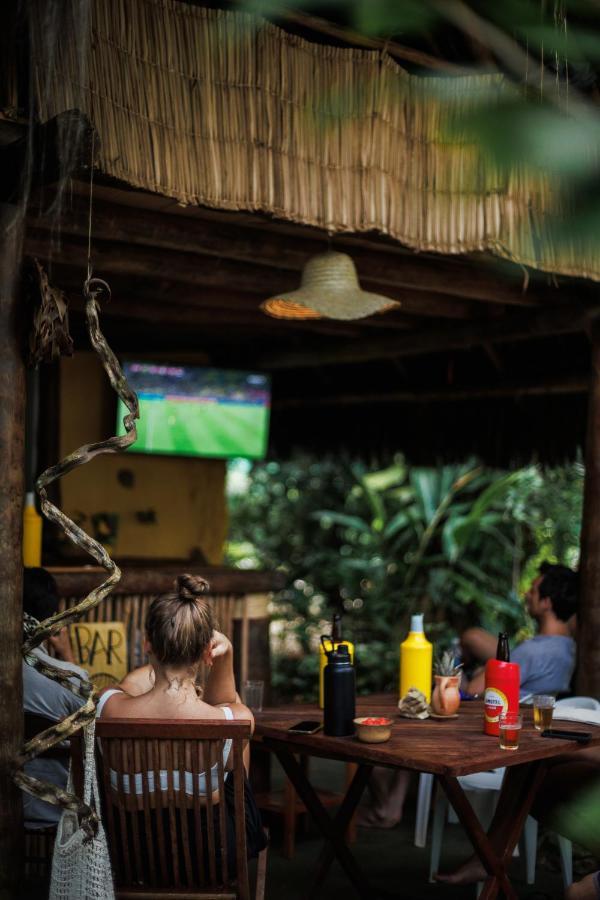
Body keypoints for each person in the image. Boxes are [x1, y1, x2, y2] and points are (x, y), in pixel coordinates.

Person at [97, 573, 267, 865]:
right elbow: (225, 701)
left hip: (132, 858)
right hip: (210, 860)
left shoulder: (107, 706)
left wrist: (166, 657)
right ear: (206, 650)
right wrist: (225, 657)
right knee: (235, 764)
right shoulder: (232, 720)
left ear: (147, 642)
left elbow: (131, 684)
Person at [22, 567, 89, 828]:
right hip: (55, 808)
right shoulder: (71, 678)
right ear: (52, 622)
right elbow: (93, 733)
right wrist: (68, 655)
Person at [461, 563, 578, 697]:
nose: (527, 594)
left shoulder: (532, 652)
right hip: (539, 705)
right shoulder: (568, 646)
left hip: (507, 712)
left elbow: (473, 691)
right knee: (472, 637)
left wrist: (464, 675)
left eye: (533, 591)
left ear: (546, 602)